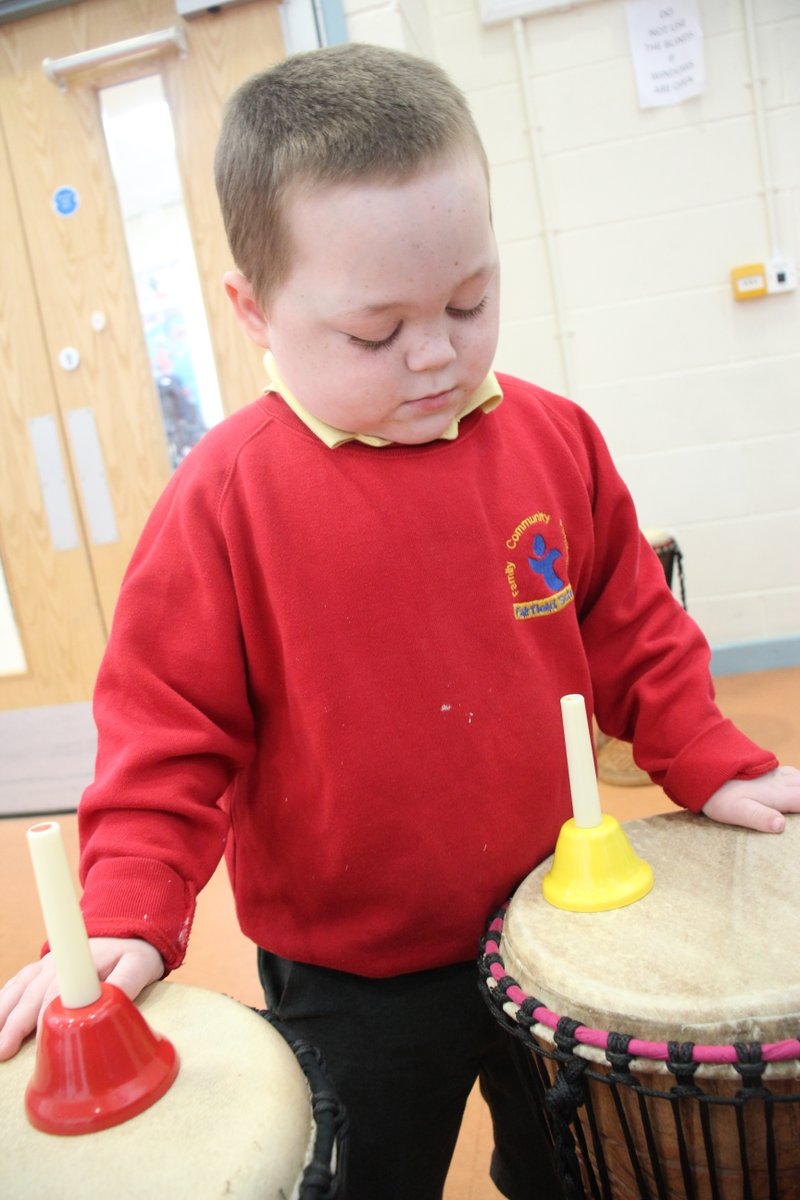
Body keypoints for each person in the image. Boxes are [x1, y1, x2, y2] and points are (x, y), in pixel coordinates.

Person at [2, 43, 799, 1200]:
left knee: (573, 1174)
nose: (435, 353)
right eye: (375, 333)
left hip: (560, 922)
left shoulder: (551, 437)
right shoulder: (223, 503)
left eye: (469, 301)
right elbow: (165, 738)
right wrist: (128, 907)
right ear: (252, 311)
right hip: (348, 977)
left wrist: (707, 758)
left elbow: (628, 624)